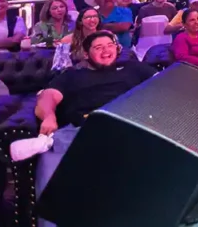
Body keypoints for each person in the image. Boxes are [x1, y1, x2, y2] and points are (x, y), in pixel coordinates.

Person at [34, 31, 157, 227]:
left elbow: (165, 84)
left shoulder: (134, 68)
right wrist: (49, 116)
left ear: (117, 48)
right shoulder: (72, 75)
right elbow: (47, 97)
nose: (106, 51)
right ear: (86, 54)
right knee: (50, 155)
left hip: (128, 127)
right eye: (98, 48)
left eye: (109, 45)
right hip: (81, 129)